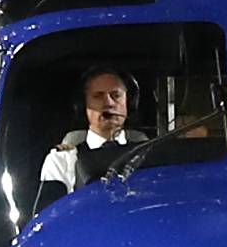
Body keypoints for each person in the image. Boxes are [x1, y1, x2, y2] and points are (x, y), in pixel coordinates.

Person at [35, 65, 148, 205]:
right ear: (83, 105)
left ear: (128, 103)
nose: (109, 103)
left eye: (116, 95)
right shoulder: (62, 160)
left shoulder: (148, 156)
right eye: (98, 96)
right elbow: (50, 218)